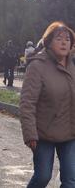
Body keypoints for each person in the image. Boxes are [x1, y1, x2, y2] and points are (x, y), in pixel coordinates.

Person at [20, 21, 75, 188]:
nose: (64, 42)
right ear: (48, 42)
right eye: (59, 39)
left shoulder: (73, 67)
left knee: (71, 180)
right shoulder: (37, 66)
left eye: (67, 39)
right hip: (43, 134)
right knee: (43, 176)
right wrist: (30, 133)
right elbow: (27, 103)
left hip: (70, 133)